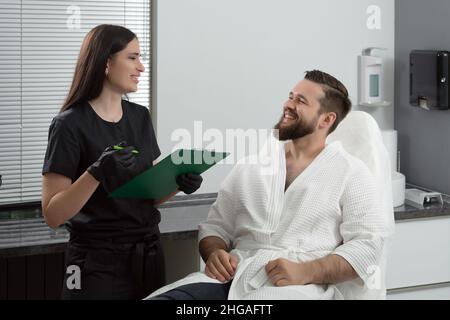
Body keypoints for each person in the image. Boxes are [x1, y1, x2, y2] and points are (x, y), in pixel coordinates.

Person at [147, 70, 391, 300]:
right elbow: (215, 227)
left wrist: (306, 271)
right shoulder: (251, 166)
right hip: (232, 277)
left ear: (326, 119)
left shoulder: (351, 172)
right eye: (290, 97)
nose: (288, 105)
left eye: (301, 101)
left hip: (297, 288)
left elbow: (367, 247)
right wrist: (214, 254)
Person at [41, 24, 203, 300]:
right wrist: (95, 173)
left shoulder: (140, 116)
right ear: (106, 62)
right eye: (132, 57)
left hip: (148, 254)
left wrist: (178, 183)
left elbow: (147, 195)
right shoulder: (68, 125)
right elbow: (53, 215)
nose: (141, 67)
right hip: (95, 263)